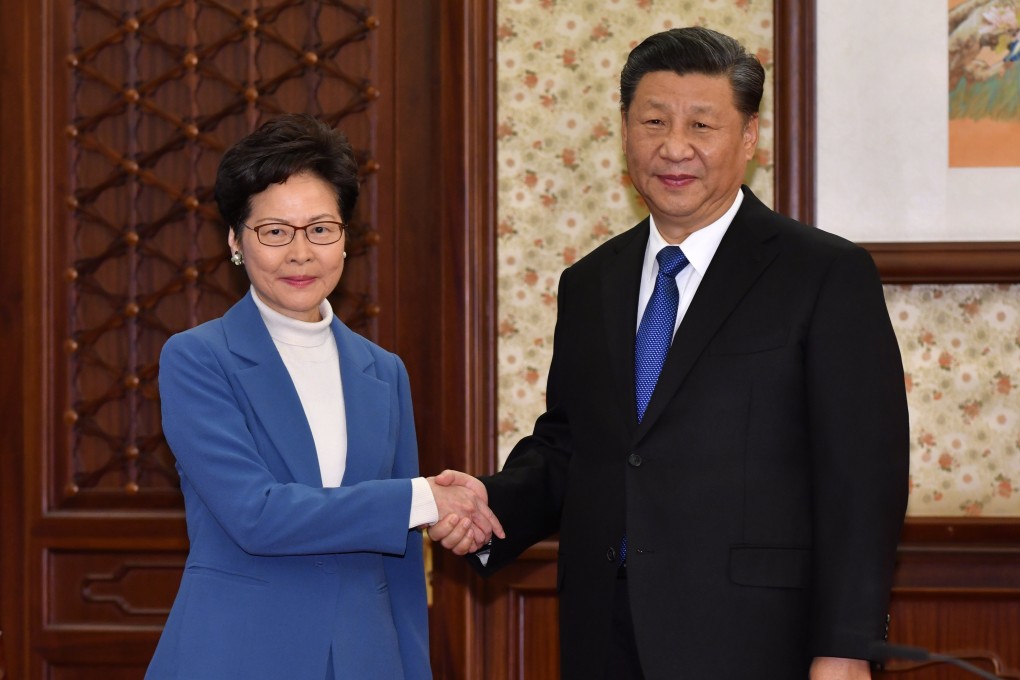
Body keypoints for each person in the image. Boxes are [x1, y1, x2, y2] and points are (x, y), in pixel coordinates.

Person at [430, 27, 909, 680]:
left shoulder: (824, 274)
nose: (674, 147)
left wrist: (848, 645)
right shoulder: (591, 281)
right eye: (653, 121)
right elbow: (575, 445)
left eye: (702, 125)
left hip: (756, 638)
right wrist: (488, 507)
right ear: (625, 132)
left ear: (748, 138)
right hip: (605, 632)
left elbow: (862, 476)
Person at [146, 113, 502, 680]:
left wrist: (412, 667)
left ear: (344, 239)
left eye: (320, 229)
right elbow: (255, 514)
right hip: (238, 655)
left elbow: (403, 562)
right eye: (274, 231)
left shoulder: (384, 371)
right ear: (236, 241)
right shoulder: (197, 358)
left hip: (366, 657)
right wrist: (423, 499)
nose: (300, 252)